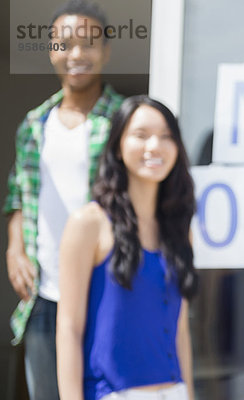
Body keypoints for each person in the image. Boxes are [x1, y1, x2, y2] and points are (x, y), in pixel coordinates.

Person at [4, 1, 122, 399]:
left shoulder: (124, 123)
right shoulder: (34, 126)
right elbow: (17, 196)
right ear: (51, 51)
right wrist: (14, 248)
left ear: (105, 51)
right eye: (64, 44)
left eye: (88, 44)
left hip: (103, 292)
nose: (76, 54)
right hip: (43, 294)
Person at [56, 95, 198, 400]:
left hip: (173, 391)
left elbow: (180, 329)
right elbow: (68, 328)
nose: (154, 146)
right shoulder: (88, 223)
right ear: (118, 147)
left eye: (166, 136)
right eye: (141, 135)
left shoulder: (179, 231)